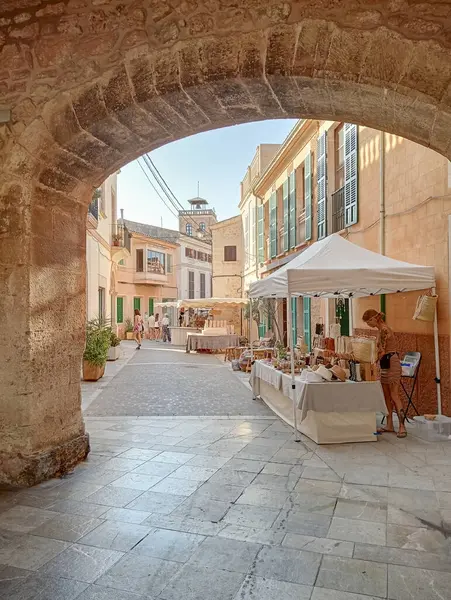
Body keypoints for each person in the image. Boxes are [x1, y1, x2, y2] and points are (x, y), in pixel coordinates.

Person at [362, 309, 406, 438]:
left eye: (368, 322)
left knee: (394, 395)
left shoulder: (384, 330)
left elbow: (381, 351)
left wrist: (371, 361)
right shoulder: (381, 330)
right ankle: (389, 425)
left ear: (373, 319)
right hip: (385, 364)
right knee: (387, 396)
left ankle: (402, 426)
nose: (368, 325)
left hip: (391, 363)